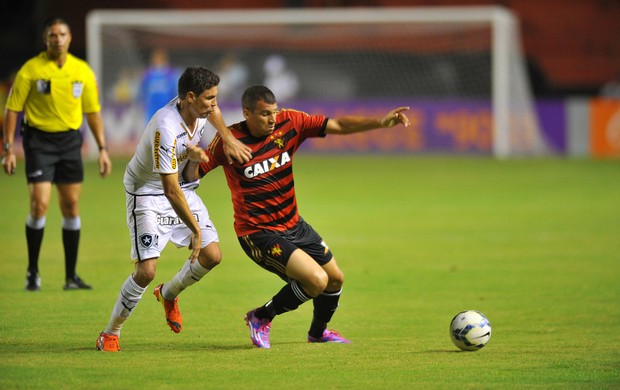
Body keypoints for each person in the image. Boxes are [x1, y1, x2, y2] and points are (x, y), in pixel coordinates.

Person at [184, 85, 410, 348]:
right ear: (247, 113)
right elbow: (192, 176)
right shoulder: (229, 142)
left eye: (274, 112)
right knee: (316, 280)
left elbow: (336, 125)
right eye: (265, 114)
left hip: (294, 224)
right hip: (258, 233)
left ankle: (318, 333)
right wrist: (193, 159)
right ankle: (260, 316)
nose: (272, 119)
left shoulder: (290, 122)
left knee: (335, 278)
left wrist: (380, 123)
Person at [95, 66, 252, 352]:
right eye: (209, 98)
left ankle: (168, 294)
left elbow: (214, 115)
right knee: (146, 271)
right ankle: (110, 332)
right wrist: (195, 229)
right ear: (190, 97)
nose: (215, 105)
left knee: (212, 255)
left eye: (216, 97)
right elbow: (169, 190)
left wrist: (227, 138)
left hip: (181, 186)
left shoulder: (198, 110)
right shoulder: (165, 128)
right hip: (147, 193)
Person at [2, 17, 112, 291]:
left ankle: (71, 277)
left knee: (71, 206)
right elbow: (13, 109)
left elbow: (93, 112)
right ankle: (32, 272)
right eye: (53, 35)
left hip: (70, 143)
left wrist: (102, 149)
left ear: (70, 38)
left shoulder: (82, 71)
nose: (58, 39)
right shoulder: (31, 70)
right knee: (39, 204)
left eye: (62, 34)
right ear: (45, 39)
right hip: (39, 141)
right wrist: (8, 149)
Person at [138, 48, 181, 123]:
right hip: (152, 108)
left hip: (167, 107)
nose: (157, 60)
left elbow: (176, 90)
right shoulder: (148, 73)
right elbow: (142, 89)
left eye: (159, 58)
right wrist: (143, 102)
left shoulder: (171, 73)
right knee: (152, 128)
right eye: (155, 58)